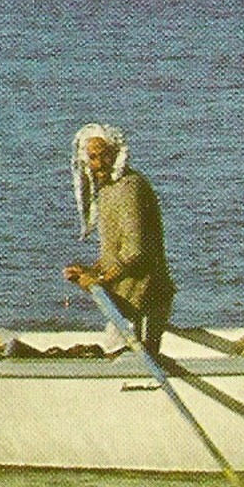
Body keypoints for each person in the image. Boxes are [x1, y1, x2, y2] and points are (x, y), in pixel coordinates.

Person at [63, 123, 177, 354]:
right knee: (115, 348)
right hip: (128, 297)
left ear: (115, 154)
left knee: (124, 353)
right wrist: (90, 271)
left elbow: (135, 252)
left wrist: (101, 279)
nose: (96, 165)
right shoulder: (107, 190)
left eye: (102, 156)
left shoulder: (129, 187)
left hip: (145, 298)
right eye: (91, 158)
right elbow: (115, 253)